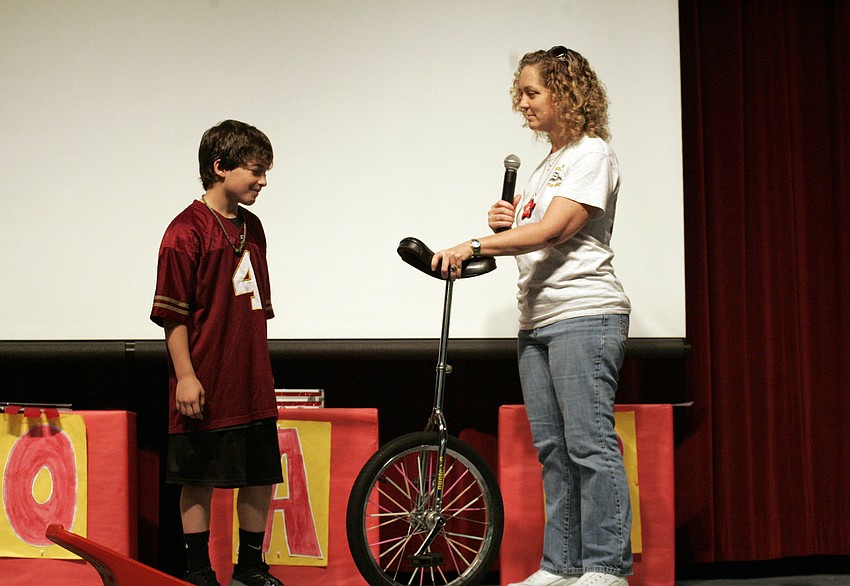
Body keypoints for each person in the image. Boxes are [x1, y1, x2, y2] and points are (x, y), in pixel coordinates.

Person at [431, 47, 632, 586]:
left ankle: (605, 567)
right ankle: (560, 566)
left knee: (589, 443)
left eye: (531, 92)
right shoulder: (545, 166)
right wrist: (502, 226)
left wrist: (477, 243)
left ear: (566, 93)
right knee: (552, 449)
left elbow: (554, 230)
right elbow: (532, 233)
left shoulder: (592, 153)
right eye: (519, 93)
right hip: (538, 319)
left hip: (584, 314)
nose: (521, 103)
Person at [151, 120, 285, 586]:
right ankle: (198, 571)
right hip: (205, 375)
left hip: (250, 376)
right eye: (256, 170)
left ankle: (249, 566)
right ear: (220, 167)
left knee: (260, 473)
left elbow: (252, 304)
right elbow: (174, 316)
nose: (263, 181)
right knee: (199, 477)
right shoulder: (184, 232)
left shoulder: (254, 228)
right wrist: (186, 376)